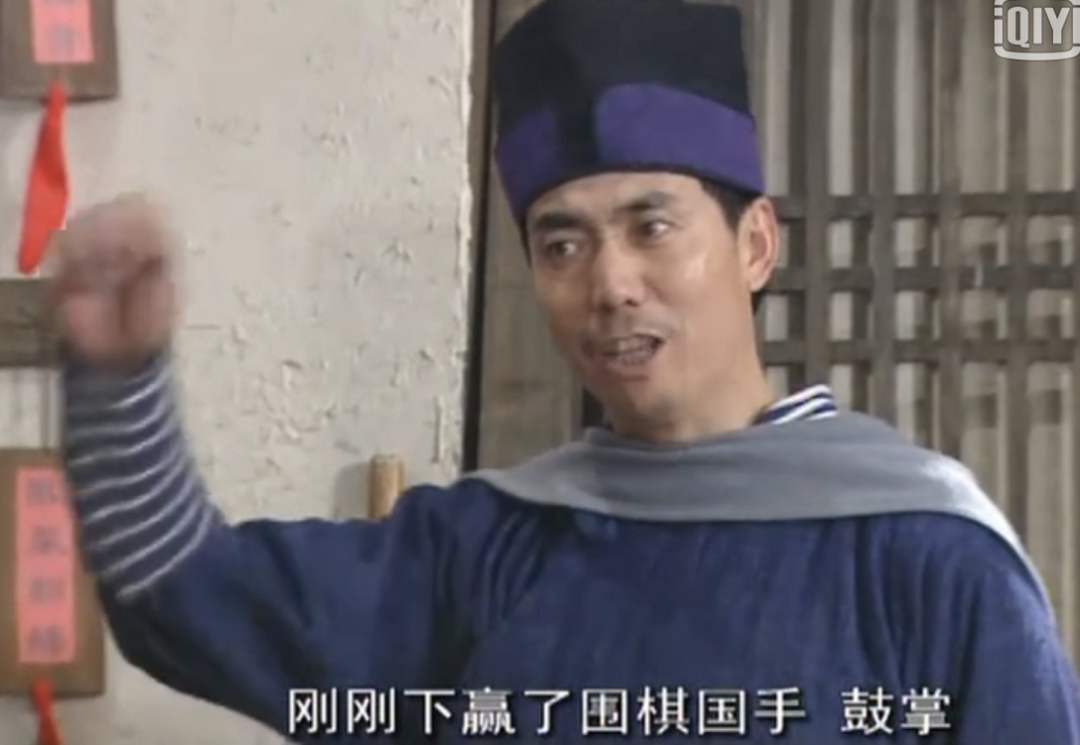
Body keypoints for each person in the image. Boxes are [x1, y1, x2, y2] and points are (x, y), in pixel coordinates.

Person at [50, 0, 1079, 742]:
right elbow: (182, 596)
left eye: (652, 226)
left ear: (757, 243)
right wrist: (118, 378)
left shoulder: (925, 554)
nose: (611, 284)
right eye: (562, 243)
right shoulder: (486, 549)